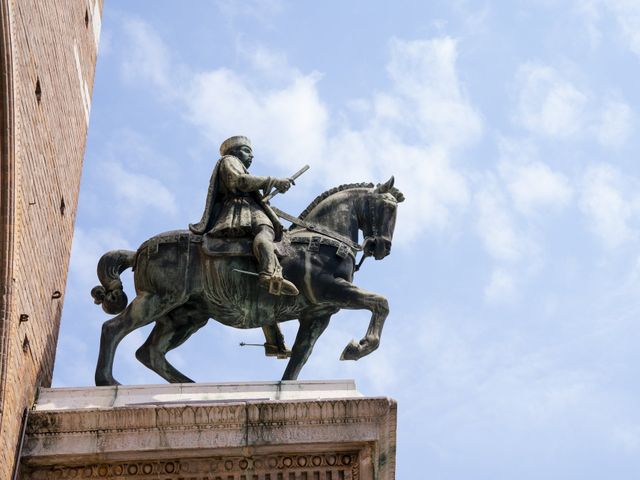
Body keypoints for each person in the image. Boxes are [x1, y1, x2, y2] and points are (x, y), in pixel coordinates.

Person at [190, 135, 299, 296]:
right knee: (265, 232)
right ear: (234, 152)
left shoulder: (236, 163)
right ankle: (269, 274)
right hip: (241, 210)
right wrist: (274, 181)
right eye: (246, 151)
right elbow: (240, 181)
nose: (251, 156)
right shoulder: (229, 160)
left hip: (248, 208)